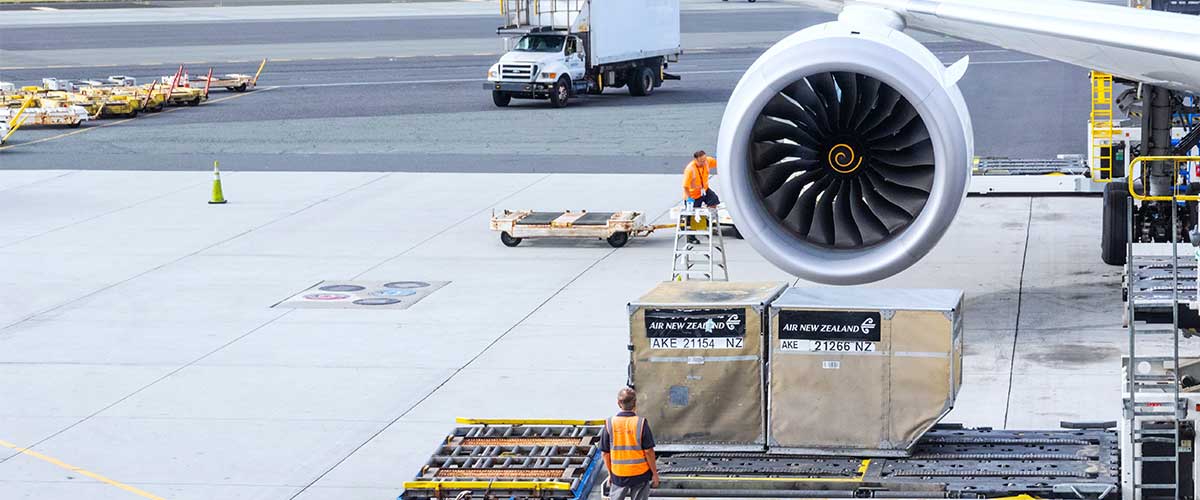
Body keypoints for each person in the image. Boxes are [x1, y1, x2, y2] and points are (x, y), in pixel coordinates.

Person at [600, 387, 658, 500]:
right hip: (640, 474)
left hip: (618, 474)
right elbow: (648, 451)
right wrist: (654, 473)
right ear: (635, 403)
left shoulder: (610, 423)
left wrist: (610, 474)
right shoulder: (641, 423)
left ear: (618, 403)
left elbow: (605, 453)